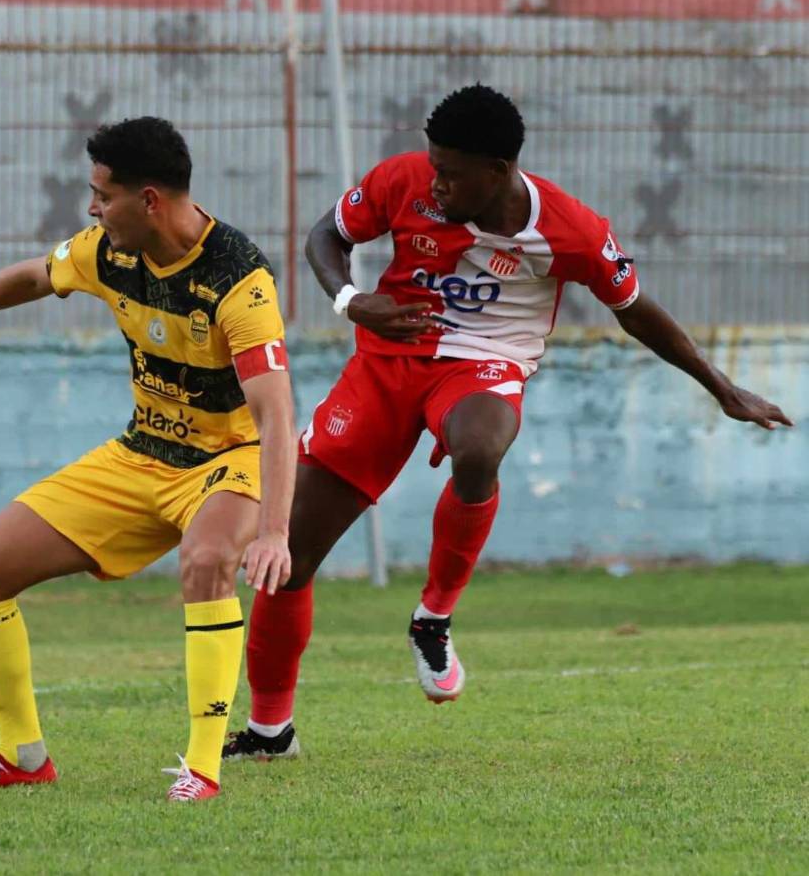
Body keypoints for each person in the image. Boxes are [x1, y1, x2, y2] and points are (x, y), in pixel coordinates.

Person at [222, 84, 793, 761]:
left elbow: (636, 310)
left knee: (479, 447)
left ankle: (432, 616)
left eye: (452, 173)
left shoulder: (572, 230)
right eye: (433, 166)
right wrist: (350, 300)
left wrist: (722, 388)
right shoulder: (404, 180)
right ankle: (269, 732)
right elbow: (328, 235)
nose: (434, 184)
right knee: (291, 554)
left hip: (485, 363)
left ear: (498, 171)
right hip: (387, 362)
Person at [0, 116, 296, 800]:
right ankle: (22, 755)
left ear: (150, 201)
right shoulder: (111, 252)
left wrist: (277, 530)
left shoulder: (237, 279)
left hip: (229, 461)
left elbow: (276, 416)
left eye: (102, 195)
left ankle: (201, 769)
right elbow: (34, 275)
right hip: (140, 456)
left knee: (205, 561)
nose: (92, 208)